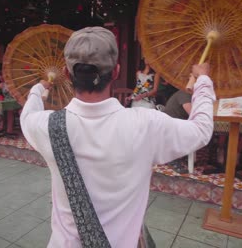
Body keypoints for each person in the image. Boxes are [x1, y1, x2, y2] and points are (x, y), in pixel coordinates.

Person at [20, 26, 215, 247]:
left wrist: (38, 88)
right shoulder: (146, 124)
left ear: (66, 73)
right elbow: (201, 130)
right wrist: (203, 80)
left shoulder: (46, 126)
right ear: (116, 71)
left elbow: (28, 114)